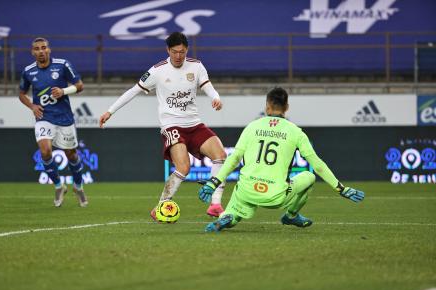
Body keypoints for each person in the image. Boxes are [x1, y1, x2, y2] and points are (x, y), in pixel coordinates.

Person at [198, 87, 364, 232]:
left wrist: (214, 182)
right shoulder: (296, 132)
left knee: (235, 211)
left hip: (247, 190)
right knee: (309, 177)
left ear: (267, 106)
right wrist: (340, 188)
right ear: (287, 107)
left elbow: (234, 158)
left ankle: (226, 218)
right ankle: (291, 215)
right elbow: (317, 164)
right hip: (276, 195)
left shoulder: (252, 127)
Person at [99, 32, 227, 219]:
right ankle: (160, 206)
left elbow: (207, 85)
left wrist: (215, 98)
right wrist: (110, 111)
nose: (178, 56)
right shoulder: (157, 71)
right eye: (174, 52)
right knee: (183, 167)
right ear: (168, 50)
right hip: (172, 125)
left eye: (182, 52)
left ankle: (215, 205)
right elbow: (133, 91)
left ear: (187, 50)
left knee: (221, 155)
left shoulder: (197, 66)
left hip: (194, 124)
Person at [18, 37, 88, 207]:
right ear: (32, 52)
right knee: (45, 151)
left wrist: (64, 91)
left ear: (49, 50)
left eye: (44, 48)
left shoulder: (62, 64)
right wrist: (32, 106)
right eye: (37, 49)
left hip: (65, 118)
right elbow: (21, 93)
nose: (41, 51)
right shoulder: (28, 71)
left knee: (71, 155)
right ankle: (58, 186)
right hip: (44, 118)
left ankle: (78, 187)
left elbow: (80, 85)